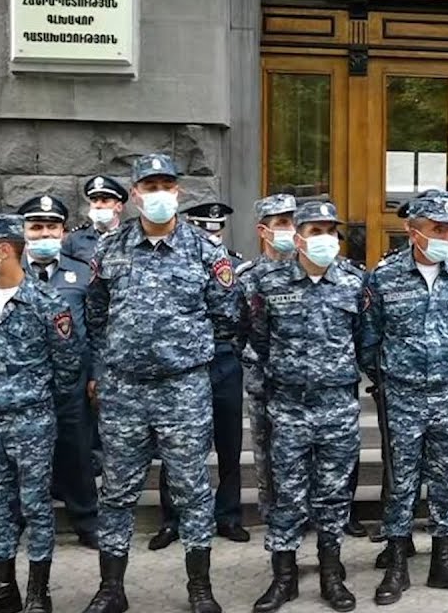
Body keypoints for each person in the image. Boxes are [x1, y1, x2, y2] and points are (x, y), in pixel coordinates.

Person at [83, 153, 237, 613]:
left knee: (192, 489)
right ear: (134, 195)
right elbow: (96, 315)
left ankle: (200, 587)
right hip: (125, 390)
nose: (158, 194)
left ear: (178, 191)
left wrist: (185, 354)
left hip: (183, 390)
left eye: (165, 186)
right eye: (149, 187)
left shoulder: (206, 251)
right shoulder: (110, 249)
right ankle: (111, 589)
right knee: (117, 491)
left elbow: (226, 317)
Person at [359, 190, 448, 605]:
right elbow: (369, 339)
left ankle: (442, 562)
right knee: (401, 481)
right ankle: (397, 563)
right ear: (413, 231)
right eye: (438, 228)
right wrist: (391, 378)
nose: (447, 236)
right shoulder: (384, 277)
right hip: (403, 395)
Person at [0, 214, 82, 613]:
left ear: (4, 250)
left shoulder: (47, 302)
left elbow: (68, 364)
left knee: (35, 506)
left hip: (31, 420)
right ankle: (3, 588)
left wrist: (37, 398)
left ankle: (37, 592)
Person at [250, 200, 362, 613]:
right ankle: (284, 577)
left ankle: (332, 574)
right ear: (297, 238)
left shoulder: (354, 281)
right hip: (289, 407)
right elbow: (258, 338)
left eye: (331, 232)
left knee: (333, 495)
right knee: (287, 495)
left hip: (337, 406)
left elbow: (364, 338)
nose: (325, 239)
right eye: (316, 232)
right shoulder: (270, 284)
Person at [149, 201, 250, 550]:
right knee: (177, 444)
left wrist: (233, 350)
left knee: (229, 444)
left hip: (223, 361)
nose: (212, 236)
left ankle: (228, 515)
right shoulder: (172, 263)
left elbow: (241, 318)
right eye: (204, 230)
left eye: (217, 230)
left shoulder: (234, 264)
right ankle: (172, 519)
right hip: (184, 365)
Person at [18, 194, 101, 549]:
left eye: (51, 227)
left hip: (71, 382)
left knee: (77, 452)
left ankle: (87, 521)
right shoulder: (9, 272)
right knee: (20, 458)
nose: (44, 234)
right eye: (36, 227)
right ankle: (14, 524)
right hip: (21, 382)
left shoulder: (81, 272)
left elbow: (96, 328)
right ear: (23, 231)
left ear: (63, 232)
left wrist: (96, 373)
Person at [233, 193, 298, 563]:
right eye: (282, 223)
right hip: (266, 388)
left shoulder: (312, 272)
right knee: (269, 466)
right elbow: (237, 331)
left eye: (293, 222)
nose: (290, 229)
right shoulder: (248, 278)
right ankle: (279, 544)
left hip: (306, 390)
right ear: (263, 230)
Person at [63, 175, 129, 263]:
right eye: (94, 201)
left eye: (104, 201)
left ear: (119, 207)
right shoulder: (75, 239)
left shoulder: (130, 237)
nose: (98, 205)